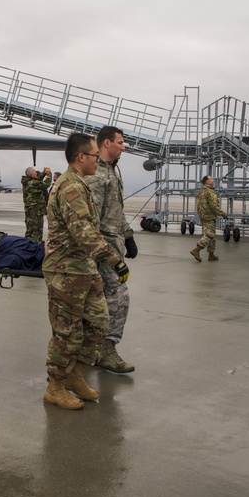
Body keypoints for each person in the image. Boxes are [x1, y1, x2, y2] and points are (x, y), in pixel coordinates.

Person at [42, 132, 128, 410]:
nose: (96, 160)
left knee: (98, 323)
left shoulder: (80, 183)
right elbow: (85, 233)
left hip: (85, 269)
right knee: (67, 333)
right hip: (66, 271)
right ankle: (55, 387)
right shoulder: (70, 187)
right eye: (93, 155)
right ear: (82, 157)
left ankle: (75, 376)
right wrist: (115, 260)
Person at [85, 126, 137, 374]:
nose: (123, 146)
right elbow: (90, 222)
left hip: (114, 246)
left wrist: (128, 236)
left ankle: (95, 351)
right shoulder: (97, 175)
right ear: (107, 143)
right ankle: (105, 351)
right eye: (120, 142)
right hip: (103, 252)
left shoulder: (113, 172)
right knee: (118, 300)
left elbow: (116, 210)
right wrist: (107, 255)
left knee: (104, 302)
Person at [190, 175, 228, 262]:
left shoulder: (201, 192)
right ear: (207, 181)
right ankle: (197, 249)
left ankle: (211, 255)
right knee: (209, 234)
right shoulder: (210, 192)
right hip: (209, 216)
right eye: (211, 179)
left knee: (212, 236)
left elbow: (199, 205)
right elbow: (214, 206)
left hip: (203, 216)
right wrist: (223, 214)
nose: (212, 180)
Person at [21, 166, 52, 242]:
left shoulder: (27, 182)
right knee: (37, 230)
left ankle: (27, 246)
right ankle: (35, 247)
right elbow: (46, 184)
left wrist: (43, 173)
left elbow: (37, 180)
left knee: (29, 230)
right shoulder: (34, 183)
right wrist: (49, 173)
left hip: (29, 211)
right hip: (36, 211)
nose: (36, 173)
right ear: (32, 174)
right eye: (35, 172)